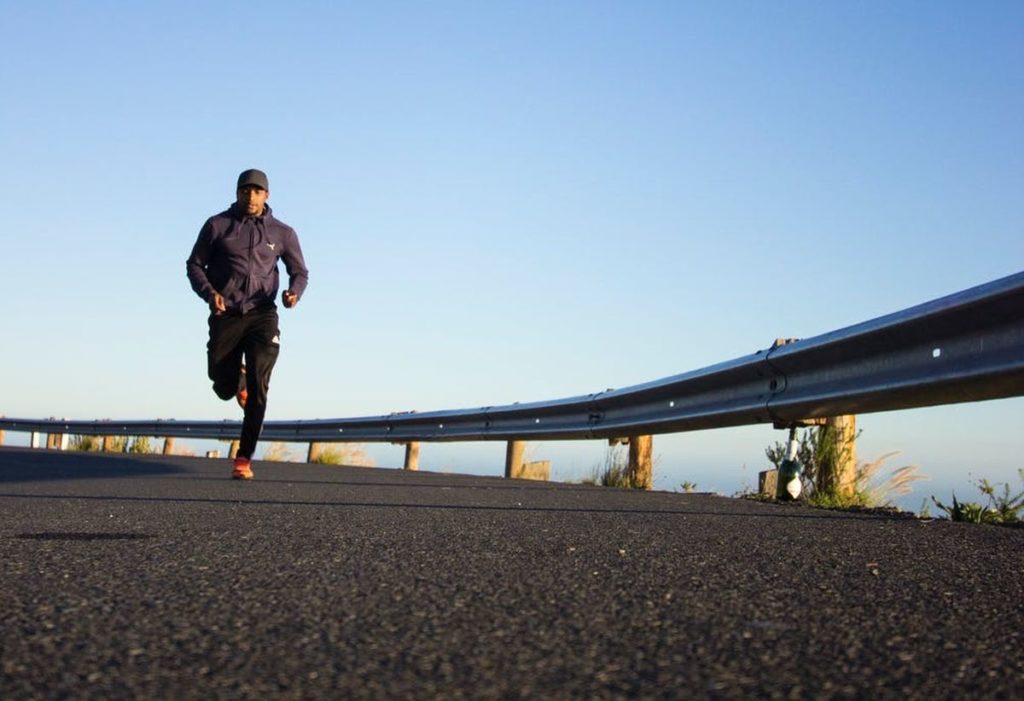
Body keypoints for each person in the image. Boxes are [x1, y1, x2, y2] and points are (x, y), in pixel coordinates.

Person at [186, 169, 309, 479]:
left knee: (259, 383)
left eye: (257, 191)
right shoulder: (218, 225)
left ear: (266, 195)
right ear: (237, 193)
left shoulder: (282, 232)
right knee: (222, 385)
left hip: (262, 314)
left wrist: (295, 292)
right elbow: (194, 265)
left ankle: (244, 457)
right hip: (226, 313)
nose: (250, 197)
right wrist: (210, 293)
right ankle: (234, 382)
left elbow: (300, 272)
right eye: (245, 191)